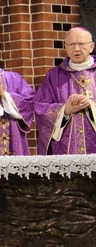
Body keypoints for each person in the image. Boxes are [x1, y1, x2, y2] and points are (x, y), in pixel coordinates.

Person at [35, 26, 96, 155]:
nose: (76, 49)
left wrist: (91, 105)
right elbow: (40, 108)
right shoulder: (54, 76)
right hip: (65, 148)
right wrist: (64, 110)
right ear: (66, 47)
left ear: (91, 47)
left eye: (81, 44)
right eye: (72, 44)